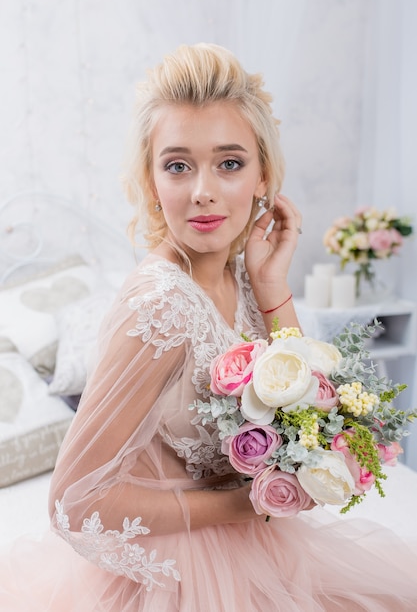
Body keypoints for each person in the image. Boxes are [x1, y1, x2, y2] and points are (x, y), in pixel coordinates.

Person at [1, 42, 417, 611]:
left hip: (261, 547)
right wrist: (249, 503)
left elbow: (309, 408)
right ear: (151, 183)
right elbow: (74, 502)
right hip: (185, 565)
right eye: (177, 165)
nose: (203, 190)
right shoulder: (159, 307)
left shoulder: (241, 273)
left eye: (229, 162)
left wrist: (271, 288)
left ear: (263, 175)